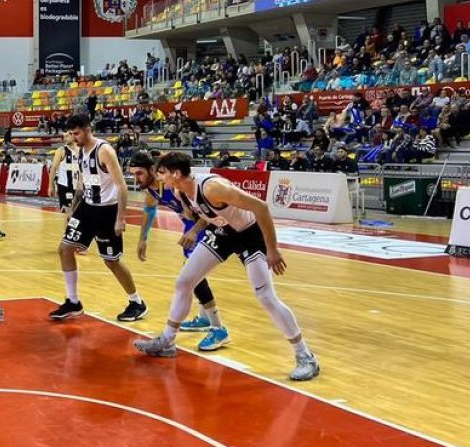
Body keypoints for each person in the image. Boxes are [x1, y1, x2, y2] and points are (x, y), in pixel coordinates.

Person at [134, 152, 320, 381]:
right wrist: (193, 229)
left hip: (251, 235)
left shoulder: (213, 187)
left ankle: (305, 355)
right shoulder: (180, 190)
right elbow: (207, 213)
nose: (158, 178)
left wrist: (272, 249)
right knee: (184, 281)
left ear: (176, 173)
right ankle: (167, 341)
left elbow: (261, 207)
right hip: (224, 233)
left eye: (161, 173)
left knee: (265, 296)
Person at [49, 114, 147, 323]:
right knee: (64, 249)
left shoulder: (104, 150)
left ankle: (136, 302)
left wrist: (121, 218)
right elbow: (83, 181)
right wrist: (74, 208)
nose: (74, 138)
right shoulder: (80, 151)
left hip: (107, 211)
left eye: (77, 133)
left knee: (111, 261)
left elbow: (122, 186)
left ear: (87, 129)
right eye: (71, 134)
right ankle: (73, 301)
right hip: (87, 206)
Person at [129, 150, 230, 351]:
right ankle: (203, 319)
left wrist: (193, 230)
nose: (135, 178)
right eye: (133, 174)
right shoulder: (152, 190)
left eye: (139, 173)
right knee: (193, 277)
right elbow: (149, 210)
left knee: (191, 278)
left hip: (207, 226)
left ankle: (219, 329)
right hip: (190, 228)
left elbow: (208, 211)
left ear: (152, 170)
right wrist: (143, 239)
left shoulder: (176, 186)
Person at [49, 131, 78, 217]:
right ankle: (67, 229)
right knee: (67, 212)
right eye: (64, 136)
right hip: (65, 186)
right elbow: (53, 168)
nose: (65, 138)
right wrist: (51, 186)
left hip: (79, 186)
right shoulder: (61, 150)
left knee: (78, 212)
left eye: (67, 136)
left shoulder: (81, 150)